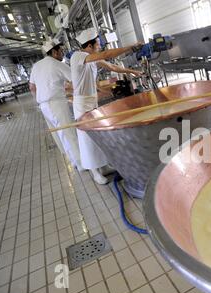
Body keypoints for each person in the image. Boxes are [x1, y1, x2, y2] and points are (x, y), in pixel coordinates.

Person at [71, 27, 143, 185]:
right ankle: (94, 171)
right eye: (97, 44)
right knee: (86, 136)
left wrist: (132, 71)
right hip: (82, 103)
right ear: (89, 46)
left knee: (97, 133)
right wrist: (131, 46)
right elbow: (106, 55)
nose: (99, 46)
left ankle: (102, 166)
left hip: (91, 100)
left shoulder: (91, 58)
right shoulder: (78, 56)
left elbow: (113, 67)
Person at [29, 40, 82, 170]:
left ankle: (74, 161)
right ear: (54, 52)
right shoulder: (58, 64)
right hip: (56, 104)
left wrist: (40, 100)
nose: (62, 53)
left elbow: (32, 87)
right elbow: (76, 80)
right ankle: (82, 164)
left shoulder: (36, 65)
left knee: (60, 134)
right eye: (61, 51)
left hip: (43, 106)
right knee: (69, 133)